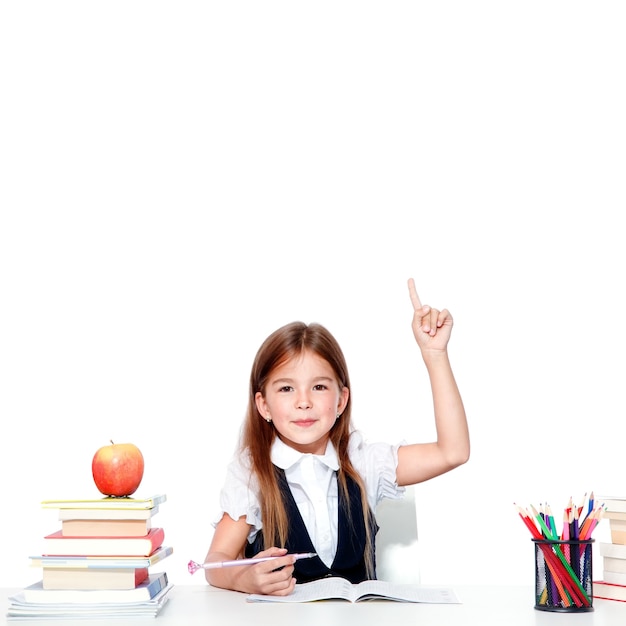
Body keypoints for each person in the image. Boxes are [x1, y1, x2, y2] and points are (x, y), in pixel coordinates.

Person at [204, 278, 469, 595]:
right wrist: (244, 578)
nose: (304, 401)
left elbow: (453, 452)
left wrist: (435, 355)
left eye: (318, 387)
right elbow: (215, 562)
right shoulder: (252, 474)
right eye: (287, 388)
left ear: (341, 400)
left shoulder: (364, 462)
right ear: (264, 405)